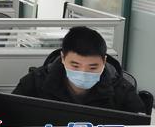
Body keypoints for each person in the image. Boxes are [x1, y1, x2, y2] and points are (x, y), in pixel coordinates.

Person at [13, 26, 145, 113]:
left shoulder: (122, 92)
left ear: (104, 62)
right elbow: (9, 123)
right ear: (63, 58)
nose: (83, 73)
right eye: (75, 66)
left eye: (93, 67)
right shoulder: (34, 83)